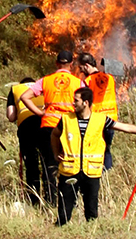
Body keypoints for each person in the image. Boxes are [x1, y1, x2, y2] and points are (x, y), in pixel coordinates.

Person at [52, 87, 136, 226]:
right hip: (69, 171)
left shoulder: (100, 119)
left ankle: (92, 234)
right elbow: (54, 135)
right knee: (64, 214)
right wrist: (56, 153)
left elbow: (125, 127)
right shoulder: (66, 119)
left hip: (91, 172)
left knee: (91, 213)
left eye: (76, 100)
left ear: (85, 102)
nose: (73, 103)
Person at [18, 49, 85, 204]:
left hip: (48, 126)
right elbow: (85, 103)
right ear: (71, 64)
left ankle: (50, 200)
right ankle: (69, 199)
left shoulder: (46, 80)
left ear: (57, 63)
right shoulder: (78, 82)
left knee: (49, 165)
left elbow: (24, 96)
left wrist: (39, 112)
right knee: (70, 163)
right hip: (69, 127)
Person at [7, 76, 45, 205]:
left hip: (26, 128)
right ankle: (51, 198)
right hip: (45, 125)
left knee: (31, 164)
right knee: (47, 163)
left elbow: (11, 116)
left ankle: (34, 200)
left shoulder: (15, 89)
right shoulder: (42, 86)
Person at [78, 53, 118, 171]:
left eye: (81, 68)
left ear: (86, 65)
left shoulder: (88, 81)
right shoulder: (109, 78)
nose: (80, 71)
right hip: (112, 118)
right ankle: (108, 174)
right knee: (107, 149)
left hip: (98, 119)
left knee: (97, 149)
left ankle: (97, 173)